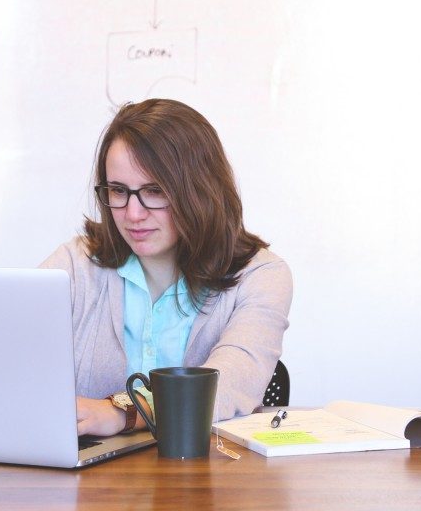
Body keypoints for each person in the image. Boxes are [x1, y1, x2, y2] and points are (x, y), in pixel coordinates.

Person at [39, 98, 292, 436]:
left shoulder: (261, 276)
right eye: (118, 190)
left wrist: (123, 413)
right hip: (89, 482)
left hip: (211, 479)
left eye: (154, 191)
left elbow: (230, 382)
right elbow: (7, 351)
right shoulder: (75, 264)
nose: (133, 214)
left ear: (199, 190)